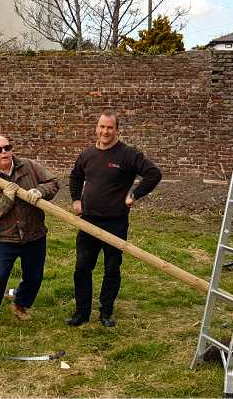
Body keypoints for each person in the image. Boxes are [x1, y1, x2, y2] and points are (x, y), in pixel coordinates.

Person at [66, 111, 162, 328]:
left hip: (115, 222)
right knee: (82, 267)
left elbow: (153, 173)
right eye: (102, 127)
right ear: (96, 128)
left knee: (111, 268)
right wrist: (75, 200)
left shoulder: (128, 155)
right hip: (88, 221)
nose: (105, 131)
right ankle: (82, 313)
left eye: (109, 127)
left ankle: (106, 312)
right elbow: (75, 176)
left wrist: (134, 194)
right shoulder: (88, 154)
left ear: (117, 130)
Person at [0, 136, 60, 336]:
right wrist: (6, 200)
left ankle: (19, 305)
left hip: (34, 234)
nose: (4, 152)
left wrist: (40, 190)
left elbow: (53, 183)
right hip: (5, 238)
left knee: (34, 276)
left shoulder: (28, 166)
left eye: (7, 147)